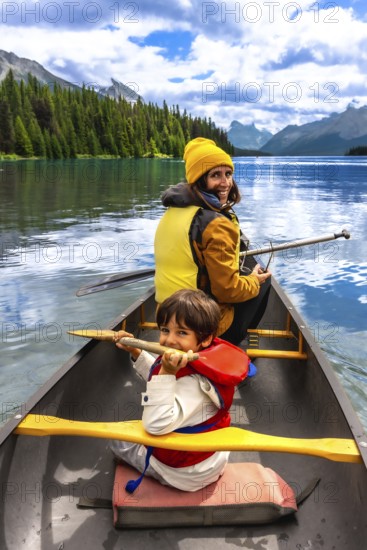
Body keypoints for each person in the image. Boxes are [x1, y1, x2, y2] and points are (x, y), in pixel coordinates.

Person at [110, 288, 249, 492]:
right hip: (212, 460)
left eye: (182, 333)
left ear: (206, 339)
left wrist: (167, 371)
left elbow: (154, 425)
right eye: (165, 330)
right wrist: (136, 351)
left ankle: (156, 474)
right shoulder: (204, 357)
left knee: (117, 440)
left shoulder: (195, 384)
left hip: (186, 474)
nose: (169, 340)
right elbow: (159, 372)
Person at [154, 137, 272, 346]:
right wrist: (254, 281)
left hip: (165, 316)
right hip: (198, 325)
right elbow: (227, 290)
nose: (225, 183)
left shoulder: (173, 212)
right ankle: (236, 342)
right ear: (199, 179)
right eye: (215, 175)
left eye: (228, 174)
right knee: (262, 278)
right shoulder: (216, 224)